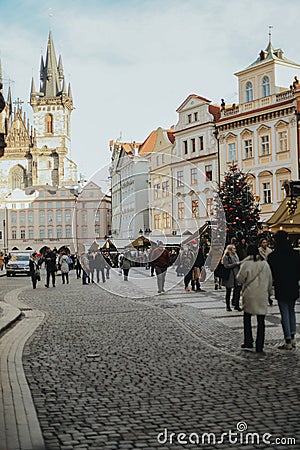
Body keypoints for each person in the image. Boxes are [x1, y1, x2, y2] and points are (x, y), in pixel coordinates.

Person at [236, 244, 273, 353]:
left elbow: (239, 278)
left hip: (250, 294)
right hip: (262, 295)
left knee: (247, 318)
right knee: (261, 321)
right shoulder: (264, 264)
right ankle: (259, 345)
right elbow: (270, 281)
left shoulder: (246, 264)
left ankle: (248, 340)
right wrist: (269, 295)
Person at [268, 231, 300, 350]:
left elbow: (271, 273)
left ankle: (287, 339)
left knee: (284, 313)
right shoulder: (295, 254)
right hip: (293, 285)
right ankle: (293, 337)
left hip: (281, 285)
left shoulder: (273, 256)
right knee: (292, 311)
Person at [222, 244, 242, 311]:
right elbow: (226, 266)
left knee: (238, 290)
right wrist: (236, 264)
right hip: (230, 275)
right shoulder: (226, 256)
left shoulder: (236, 255)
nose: (235, 250)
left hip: (237, 274)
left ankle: (236, 304)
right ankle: (228, 306)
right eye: (233, 248)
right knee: (228, 291)